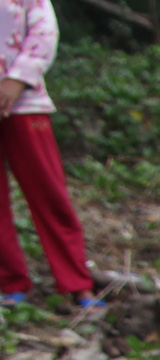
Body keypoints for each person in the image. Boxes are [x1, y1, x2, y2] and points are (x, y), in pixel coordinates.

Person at [0, 0, 99, 309]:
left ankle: (78, 284)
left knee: (49, 193)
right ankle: (10, 285)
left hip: (24, 102)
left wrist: (17, 78)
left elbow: (44, 30)